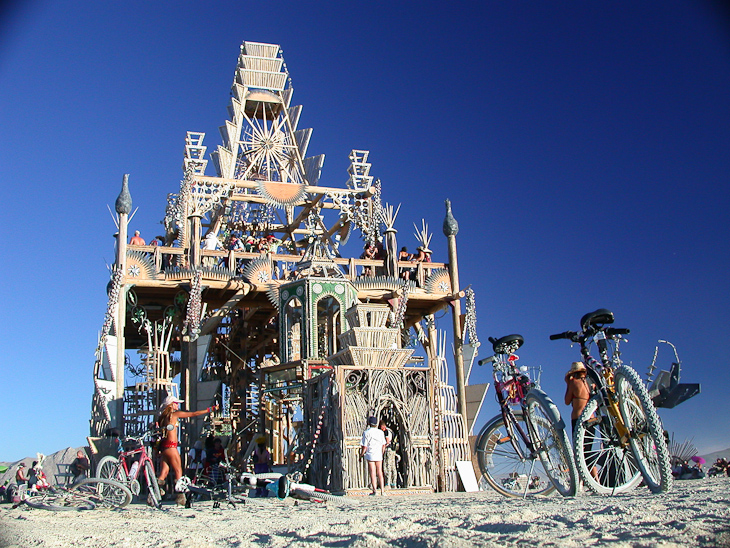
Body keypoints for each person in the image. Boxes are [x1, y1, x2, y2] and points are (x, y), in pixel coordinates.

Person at [156, 395, 218, 505]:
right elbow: (193, 414)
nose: (178, 405)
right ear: (171, 404)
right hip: (171, 447)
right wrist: (209, 410)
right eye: (176, 403)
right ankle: (180, 497)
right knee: (178, 471)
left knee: (163, 473)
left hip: (164, 447)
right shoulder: (174, 415)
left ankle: (154, 494)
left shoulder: (163, 417)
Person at [360, 416, 387, 496]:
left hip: (370, 454)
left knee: (372, 472)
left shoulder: (366, 432)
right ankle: (382, 490)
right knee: (380, 472)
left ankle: (375, 490)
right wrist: (382, 453)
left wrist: (361, 455)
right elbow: (383, 445)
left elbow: (365, 446)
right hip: (378, 453)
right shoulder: (380, 432)